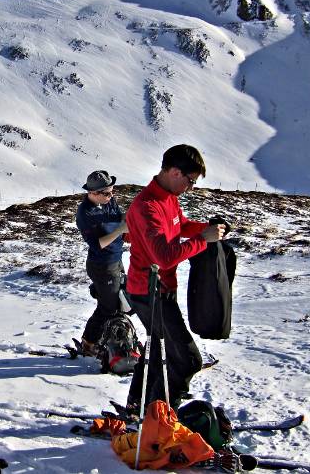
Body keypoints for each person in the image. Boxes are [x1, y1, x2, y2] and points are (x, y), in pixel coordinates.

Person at [124, 144, 225, 411]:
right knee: (187, 359)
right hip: (149, 291)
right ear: (175, 172)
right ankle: (160, 418)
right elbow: (164, 257)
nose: (190, 187)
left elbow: (182, 226)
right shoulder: (147, 206)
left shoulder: (168, 198)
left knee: (158, 351)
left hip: (157, 289)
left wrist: (210, 229)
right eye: (190, 181)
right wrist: (204, 240)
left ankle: (140, 406)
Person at [75, 170, 128, 356]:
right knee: (108, 307)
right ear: (92, 193)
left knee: (119, 300)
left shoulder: (108, 201)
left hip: (116, 259)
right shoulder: (85, 213)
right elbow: (97, 245)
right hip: (102, 265)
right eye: (106, 193)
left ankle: (111, 335)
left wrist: (130, 220)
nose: (111, 196)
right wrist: (120, 229)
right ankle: (89, 343)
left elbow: (117, 217)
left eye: (112, 191)